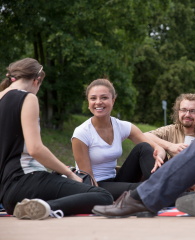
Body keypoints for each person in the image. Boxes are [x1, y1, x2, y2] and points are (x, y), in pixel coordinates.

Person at [0, 58, 113, 220]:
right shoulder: (27, 98)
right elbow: (35, 149)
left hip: (8, 197)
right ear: (37, 80)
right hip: (27, 181)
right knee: (103, 196)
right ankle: (47, 207)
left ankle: (36, 206)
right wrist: (69, 173)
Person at [72, 79, 166, 200]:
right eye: (93, 98)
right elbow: (87, 179)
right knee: (143, 188)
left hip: (116, 180)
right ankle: (168, 192)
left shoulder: (122, 126)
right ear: (88, 102)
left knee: (144, 148)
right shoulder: (81, 133)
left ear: (113, 100)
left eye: (104, 98)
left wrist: (160, 154)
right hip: (97, 186)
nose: (98, 102)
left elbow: (156, 148)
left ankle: (161, 187)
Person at [145, 93, 195, 197]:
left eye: (193, 111)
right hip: (171, 183)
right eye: (183, 110)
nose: (187, 114)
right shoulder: (171, 130)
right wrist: (169, 146)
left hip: (194, 188)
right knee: (148, 150)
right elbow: (144, 135)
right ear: (178, 112)